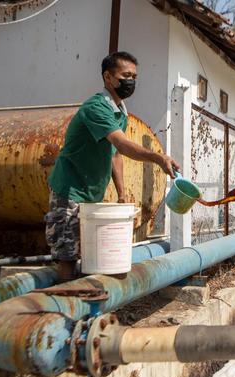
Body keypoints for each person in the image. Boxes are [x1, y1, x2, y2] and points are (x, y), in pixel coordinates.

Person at [45, 51, 179, 280]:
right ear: (108, 77)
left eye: (134, 76)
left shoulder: (119, 113)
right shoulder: (96, 107)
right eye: (125, 75)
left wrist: (122, 193)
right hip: (69, 190)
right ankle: (65, 298)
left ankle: (85, 297)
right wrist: (158, 158)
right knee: (68, 255)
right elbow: (121, 144)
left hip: (91, 194)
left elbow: (114, 154)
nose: (131, 81)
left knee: (89, 253)